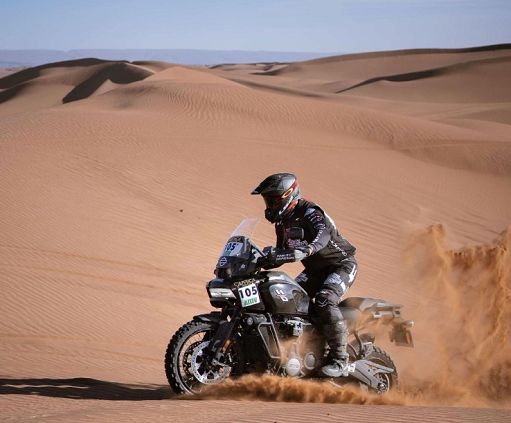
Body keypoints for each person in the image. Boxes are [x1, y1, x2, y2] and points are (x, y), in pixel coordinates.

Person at [251, 172, 357, 377]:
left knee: (325, 300)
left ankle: (340, 359)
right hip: (315, 271)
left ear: (288, 195)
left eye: (273, 200)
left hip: (340, 265)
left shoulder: (310, 212)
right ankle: (304, 348)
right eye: (267, 200)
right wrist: (261, 260)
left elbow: (323, 235)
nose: (269, 205)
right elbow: (283, 251)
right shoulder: (282, 222)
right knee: (290, 299)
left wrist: (308, 249)